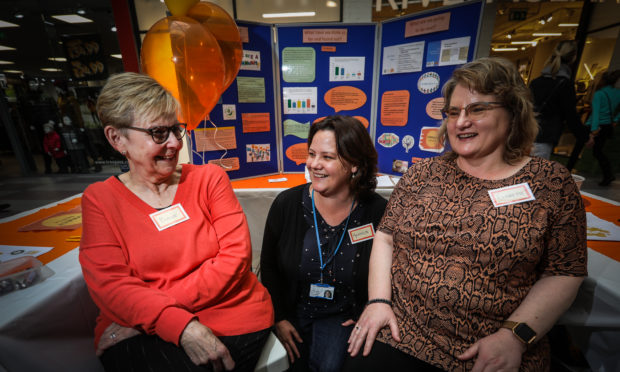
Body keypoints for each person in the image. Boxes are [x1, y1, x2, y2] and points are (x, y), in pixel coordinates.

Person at [346, 57, 587, 371]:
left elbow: (565, 271)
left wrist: (515, 336)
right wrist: (378, 301)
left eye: (477, 109)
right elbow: (386, 238)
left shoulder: (551, 184)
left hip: (494, 347)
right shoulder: (422, 175)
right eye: (453, 112)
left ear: (513, 112)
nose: (461, 122)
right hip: (401, 332)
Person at [79, 72, 274, 372]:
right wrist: (178, 325)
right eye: (158, 133)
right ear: (117, 138)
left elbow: (235, 259)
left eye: (175, 130)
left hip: (228, 314)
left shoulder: (209, 179)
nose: (173, 143)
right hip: (142, 324)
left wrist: (158, 317)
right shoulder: (100, 199)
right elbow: (111, 285)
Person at [260, 115, 387, 372]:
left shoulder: (376, 211)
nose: (313, 164)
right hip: (293, 314)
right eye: (311, 154)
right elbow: (268, 267)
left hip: (342, 317)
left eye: (327, 157)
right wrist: (279, 318)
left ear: (354, 164)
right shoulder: (287, 205)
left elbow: (387, 272)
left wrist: (369, 309)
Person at [529, 40, 588, 170]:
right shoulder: (564, 85)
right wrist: (583, 136)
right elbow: (570, 114)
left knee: (520, 175)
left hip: (526, 134)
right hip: (544, 137)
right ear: (573, 57)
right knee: (535, 176)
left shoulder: (536, 82)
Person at [585, 69, 620, 186]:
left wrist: (594, 130)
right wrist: (615, 120)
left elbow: (595, 113)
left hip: (595, 125)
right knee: (598, 151)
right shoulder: (618, 93)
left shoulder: (599, 94)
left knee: (591, 150)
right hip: (607, 125)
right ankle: (608, 174)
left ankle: (608, 174)